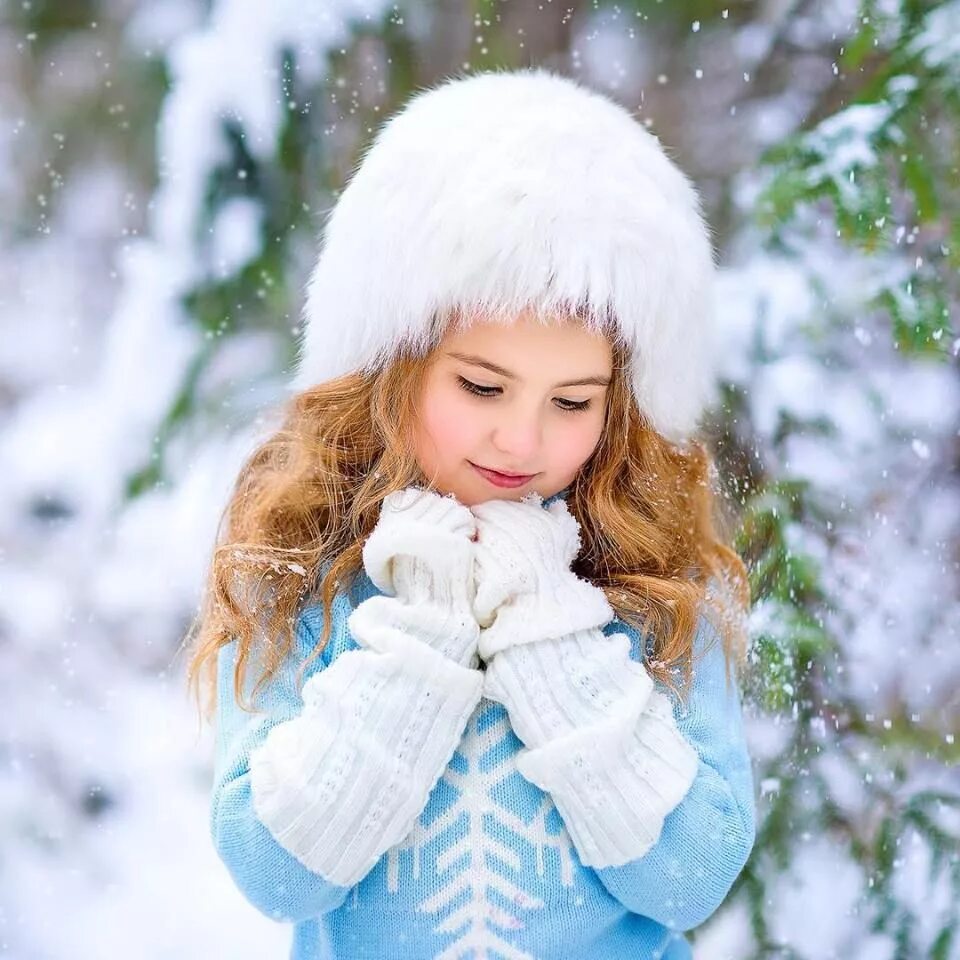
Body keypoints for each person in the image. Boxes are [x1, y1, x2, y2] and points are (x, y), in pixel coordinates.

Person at [184, 66, 756, 960]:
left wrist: (553, 639)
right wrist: (422, 635)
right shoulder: (313, 568)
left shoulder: (650, 583)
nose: (522, 440)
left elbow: (690, 878)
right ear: (391, 360)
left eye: (573, 402)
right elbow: (278, 873)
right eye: (482, 385)